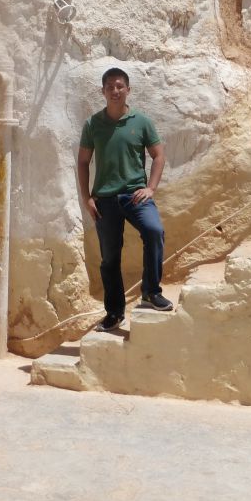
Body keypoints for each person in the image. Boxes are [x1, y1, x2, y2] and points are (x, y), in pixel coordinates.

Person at [76, 66, 173, 332]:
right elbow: (83, 162)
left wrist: (151, 188)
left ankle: (151, 292)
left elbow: (159, 155)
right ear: (103, 91)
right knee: (109, 259)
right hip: (105, 200)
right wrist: (87, 198)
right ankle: (114, 313)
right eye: (110, 87)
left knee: (154, 231)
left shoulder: (141, 122)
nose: (115, 91)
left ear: (128, 90)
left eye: (120, 86)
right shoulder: (93, 124)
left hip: (135, 196)